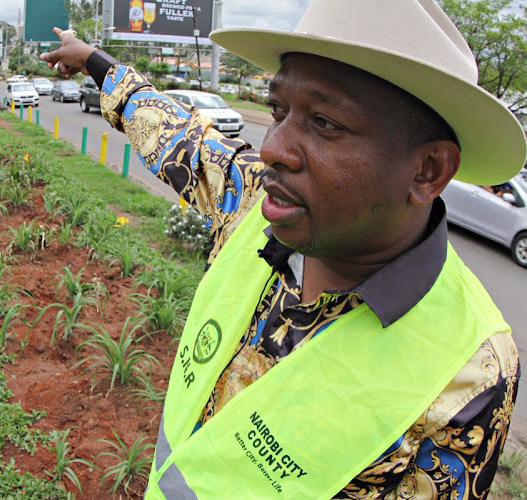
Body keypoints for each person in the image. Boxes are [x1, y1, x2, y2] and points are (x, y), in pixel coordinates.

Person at [42, 1, 523, 498]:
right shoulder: (255, 201)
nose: (271, 147)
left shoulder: (471, 370)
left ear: (428, 172)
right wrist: (93, 59)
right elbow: (175, 135)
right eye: (277, 110)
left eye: (326, 123)